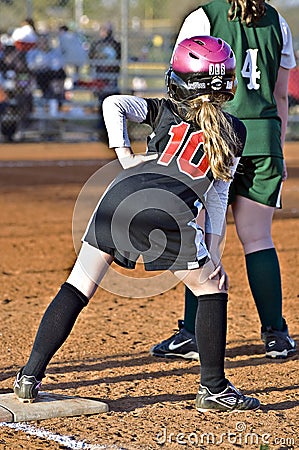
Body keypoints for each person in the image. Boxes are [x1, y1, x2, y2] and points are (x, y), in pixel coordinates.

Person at [13, 36, 260, 412]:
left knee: (78, 284)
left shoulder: (163, 108)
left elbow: (113, 104)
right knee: (212, 288)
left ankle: (29, 375)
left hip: (119, 195)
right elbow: (215, 198)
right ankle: (213, 388)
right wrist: (210, 253)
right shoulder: (235, 131)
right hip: (169, 209)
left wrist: (125, 155)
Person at [150, 0, 297, 361]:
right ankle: (276, 335)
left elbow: (185, 84)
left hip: (216, 135)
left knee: (201, 236)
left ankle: (191, 333)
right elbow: (281, 94)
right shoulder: (277, 21)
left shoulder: (204, 16)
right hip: (262, 138)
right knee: (259, 238)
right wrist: (275, 146)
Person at [88, 22, 121, 140]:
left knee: (112, 103)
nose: (103, 32)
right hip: (100, 78)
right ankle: (102, 130)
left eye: (105, 30)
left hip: (111, 78)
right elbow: (91, 58)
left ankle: (111, 131)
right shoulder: (97, 44)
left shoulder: (116, 44)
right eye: (102, 30)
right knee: (102, 103)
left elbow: (119, 60)